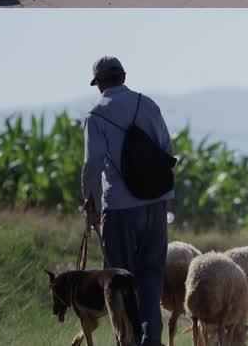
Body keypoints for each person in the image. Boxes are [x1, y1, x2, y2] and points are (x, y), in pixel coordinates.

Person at [81, 56, 174, 346]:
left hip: (119, 209)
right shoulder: (148, 104)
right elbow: (165, 151)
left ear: (100, 84)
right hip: (155, 205)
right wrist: (166, 199)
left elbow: (93, 166)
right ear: (123, 76)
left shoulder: (96, 115)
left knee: (120, 283)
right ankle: (152, 341)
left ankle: (129, 340)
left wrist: (90, 205)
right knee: (151, 278)